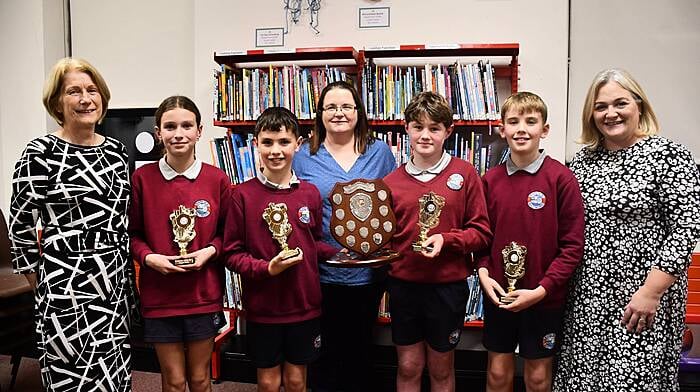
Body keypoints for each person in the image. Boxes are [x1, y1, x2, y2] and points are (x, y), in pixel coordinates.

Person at [553, 69, 700, 391]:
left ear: (639, 106)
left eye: (620, 103)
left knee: (633, 381)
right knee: (582, 381)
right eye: (601, 106)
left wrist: (651, 292)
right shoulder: (582, 162)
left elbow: (686, 228)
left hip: (642, 298)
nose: (611, 113)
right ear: (591, 114)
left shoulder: (669, 156)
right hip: (587, 298)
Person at [9, 57, 134, 391]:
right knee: (70, 380)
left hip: (112, 286)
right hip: (64, 287)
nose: (85, 99)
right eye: (74, 91)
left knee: (113, 377)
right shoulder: (40, 153)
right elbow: (20, 222)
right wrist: (38, 276)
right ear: (57, 103)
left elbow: (121, 219)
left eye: (92, 90)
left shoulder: (117, 153)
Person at [224, 107, 338, 392]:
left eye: (284, 142)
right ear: (255, 144)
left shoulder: (309, 193)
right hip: (264, 308)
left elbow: (312, 242)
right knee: (268, 381)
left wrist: (343, 252)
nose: (275, 151)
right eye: (267, 142)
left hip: (304, 306)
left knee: (298, 380)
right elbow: (231, 252)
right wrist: (267, 268)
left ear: (298, 144)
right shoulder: (242, 195)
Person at [292, 81, 397, 391]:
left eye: (346, 106)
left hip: (368, 273)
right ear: (320, 114)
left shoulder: (379, 152)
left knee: (361, 349)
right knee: (324, 351)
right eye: (331, 107)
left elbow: (391, 204)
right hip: (323, 272)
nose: (339, 113)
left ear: (357, 111)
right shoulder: (304, 156)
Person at [383, 91, 492, 391]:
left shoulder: (465, 174)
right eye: (418, 127)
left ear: (448, 131)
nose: (425, 135)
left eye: (434, 128)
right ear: (406, 128)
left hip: (447, 288)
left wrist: (448, 239)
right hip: (404, 286)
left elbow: (482, 232)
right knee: (407, 366)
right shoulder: (391, 183)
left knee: (441, 368)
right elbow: (384, 239)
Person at [476, 92, 584, 392]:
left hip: (543, 298)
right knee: (497, 373)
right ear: (502, 129)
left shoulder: (562, 179)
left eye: (530, 121)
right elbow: (482, 238)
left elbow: (572, 247)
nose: (521, 128)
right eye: (513, 121)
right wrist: (484, 274)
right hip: (499, 295)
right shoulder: (490, 181)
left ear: (544, 130)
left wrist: (541, 290)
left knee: (537, 377)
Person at [128, 95, 229, 392]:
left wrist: (209, 252)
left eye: (187, 125)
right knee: (172, 381)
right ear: (159, 133)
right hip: (160, 297)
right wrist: (148, 258)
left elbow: (229, 236)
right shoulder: (141, 179)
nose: (179, 133)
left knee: (199, 379)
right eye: (170, 126)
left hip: (203, 294)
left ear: (199, 130)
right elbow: (131, 234)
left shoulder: (217, 179)